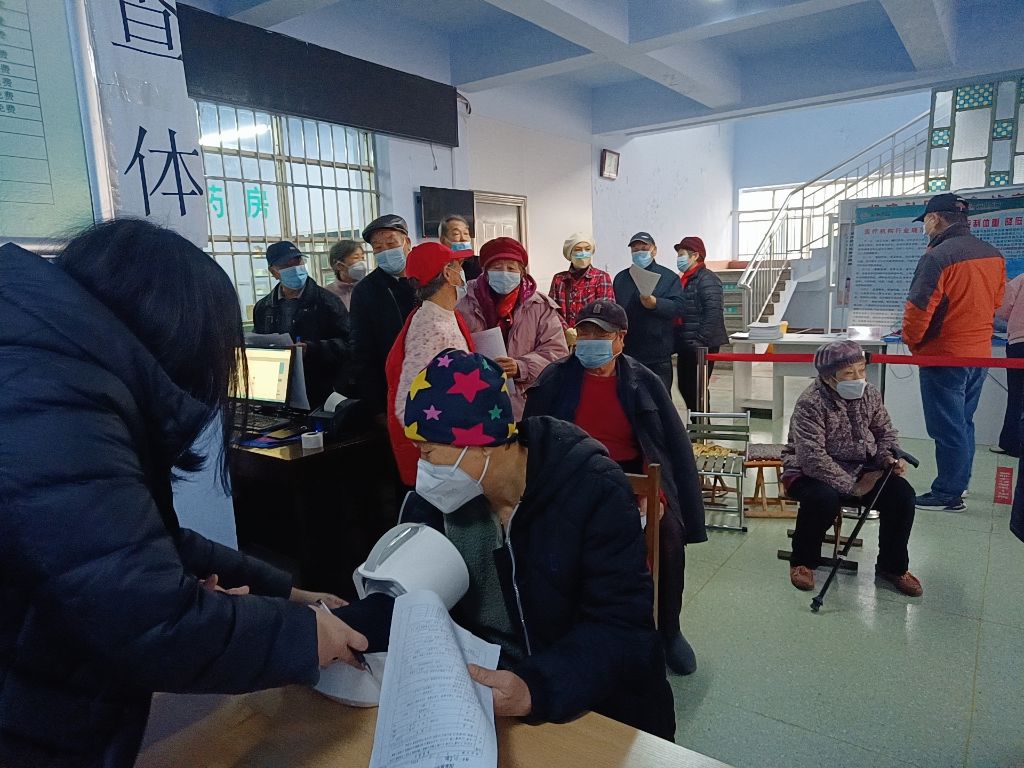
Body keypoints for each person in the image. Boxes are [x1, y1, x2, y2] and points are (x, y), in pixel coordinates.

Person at [0, 220, 368, 768]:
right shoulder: (52, 403)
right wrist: (302, 634)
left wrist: (289, 593)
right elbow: (148, 620)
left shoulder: (49, 370)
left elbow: (147, 544)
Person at [400, 350, 676, 740]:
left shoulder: (593, 490)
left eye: (427, 451)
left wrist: (534, 688)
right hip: (483, 702)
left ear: (481, 443)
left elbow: (621, 627)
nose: (422, 469)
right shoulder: (437, 505)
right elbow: (405, 599)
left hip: (589, 703)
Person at [523, 300, 706, 675]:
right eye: (585, 332)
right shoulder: (555, 378)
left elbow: (666, 445)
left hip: (632, 476)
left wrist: (658, 494)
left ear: (621, 338)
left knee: (669, 535)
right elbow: (533, 440)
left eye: (601, 334)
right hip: (571, 473)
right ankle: (564, 627)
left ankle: (669, 630)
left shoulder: (644, 381)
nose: (591, 340)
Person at [781, 341, 923, 597]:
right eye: (849, 373)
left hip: (860, 466)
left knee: (902, 496)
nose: (858, 377)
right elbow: (812, 457)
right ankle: (802, 560)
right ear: (829, 377)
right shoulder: (810, 402)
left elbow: (884, 432)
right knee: (822, 499)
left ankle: (892, 566)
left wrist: (888, 458)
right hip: (808, 469)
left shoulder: (870, 394)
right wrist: (852, 487)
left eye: (861, 370)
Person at [902, 193, 1006, 510]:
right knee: (963, 422)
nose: (925, 227)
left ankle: (947, 493)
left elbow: (919, 308)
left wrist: (914, 343)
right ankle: (960, 484)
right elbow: (997, 302)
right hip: (979, 353)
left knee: (946, 427)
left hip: (944, 354)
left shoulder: (938, 257)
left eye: (925, 221)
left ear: (935, 218)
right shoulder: (992, 254)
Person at [385, 242, 475, 486]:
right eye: (459, 266)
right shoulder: (430, 327)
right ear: (448, 273)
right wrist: (439, 454)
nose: (463, 273)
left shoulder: (447, 315)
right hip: (445, 459)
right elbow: (406, 404)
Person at [457, 236, 568, 419]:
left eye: (511, 268)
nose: (504, 273)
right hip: (473, 400)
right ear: (485, 271)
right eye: (497, 268)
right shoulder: (463, 303)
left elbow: (557, 353)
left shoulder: (540, 306)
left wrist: (520, 367)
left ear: (522, 272)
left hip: (524, 406)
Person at [252, 240, 351, 406]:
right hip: (278, 391)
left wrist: (312, 348)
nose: (295, 269)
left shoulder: (327, 302)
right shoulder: (264, 307)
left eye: (298, 262)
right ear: (273, 272)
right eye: (286, 265)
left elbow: (349, 343)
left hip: (321, 391)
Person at [350, 213, 417, 414]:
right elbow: (362, 352)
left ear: (407, 243)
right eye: (378, 248)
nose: (386, 252)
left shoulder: (428, 281)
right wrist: (377, 408)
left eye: (391, 243)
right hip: (389, 387)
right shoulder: (365, 290)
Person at [613, 231, 686, 392]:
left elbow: (678, 307)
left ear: (654, 250)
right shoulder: (621, 278)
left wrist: (655, 304)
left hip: (658, 353)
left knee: (660, 397)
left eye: (644, 248)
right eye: (635, 249)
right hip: (629, 351)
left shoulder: (668, 277)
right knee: (630, 396)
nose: (639, 252)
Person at [673, 236, 728, 412]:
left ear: (695, 255)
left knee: (697, 390)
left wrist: (699, 341)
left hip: (701, 345)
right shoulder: (686, 279)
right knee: (686, 387)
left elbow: (713, 312)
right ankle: (697, 423)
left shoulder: (707, 279)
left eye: (682, 254)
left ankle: (702, 425)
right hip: (687, 343)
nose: (678, 259)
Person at [548, 232, 615, 329]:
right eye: (578, 250)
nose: (583, 253)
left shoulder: (601, 277)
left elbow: (606, 312)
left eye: (587, 249)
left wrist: (584, 332)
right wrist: (566, 330)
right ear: (570, 253)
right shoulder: (559, 279)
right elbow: (552, 310)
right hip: (564, 335)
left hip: (592, 334)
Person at [994, 273, 1024, 457]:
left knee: (1016, 396)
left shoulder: (1021, 279)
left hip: (1019, 342)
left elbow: (1003, 310)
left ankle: (1010, 443)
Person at [325, 238, 367, 310]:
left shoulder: (371, 288)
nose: (362, 262)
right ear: (339, 266)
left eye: (362, 258)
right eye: (356, 257)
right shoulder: (326, 294)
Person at [438, 213, 481, 280]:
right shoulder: (436, 267)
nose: (464, 238)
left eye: (466, 233)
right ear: (443, 240)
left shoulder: (480, 264)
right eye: (456, 234)